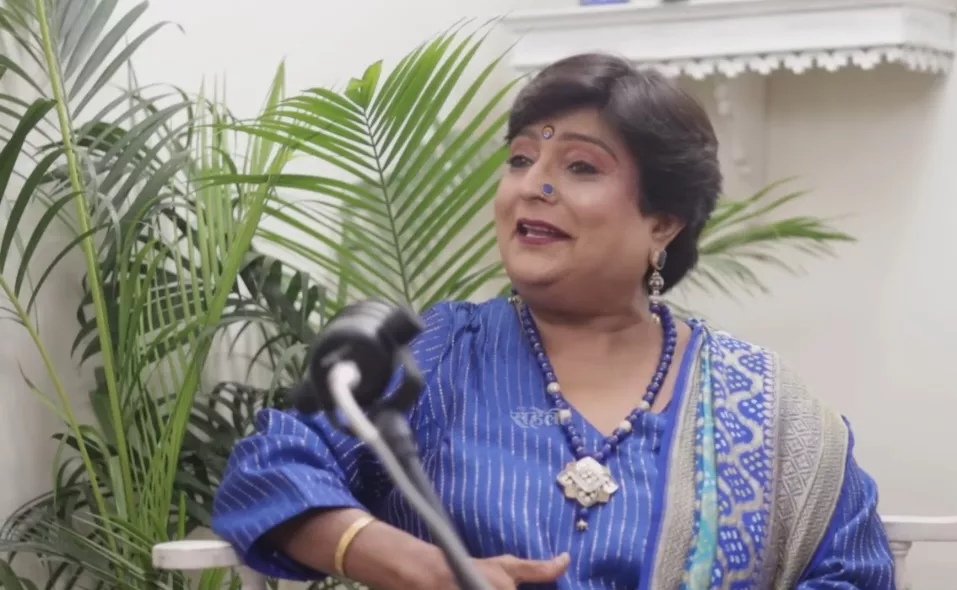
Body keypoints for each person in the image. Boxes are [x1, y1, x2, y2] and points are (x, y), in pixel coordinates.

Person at [211, 53, 895, 589]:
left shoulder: (758, 401)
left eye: (579, 166)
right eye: (519, 159)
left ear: (662, 223)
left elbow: (852, 573)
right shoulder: (440, 355)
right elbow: (269, 468)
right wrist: (421, 567)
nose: (533, 186)